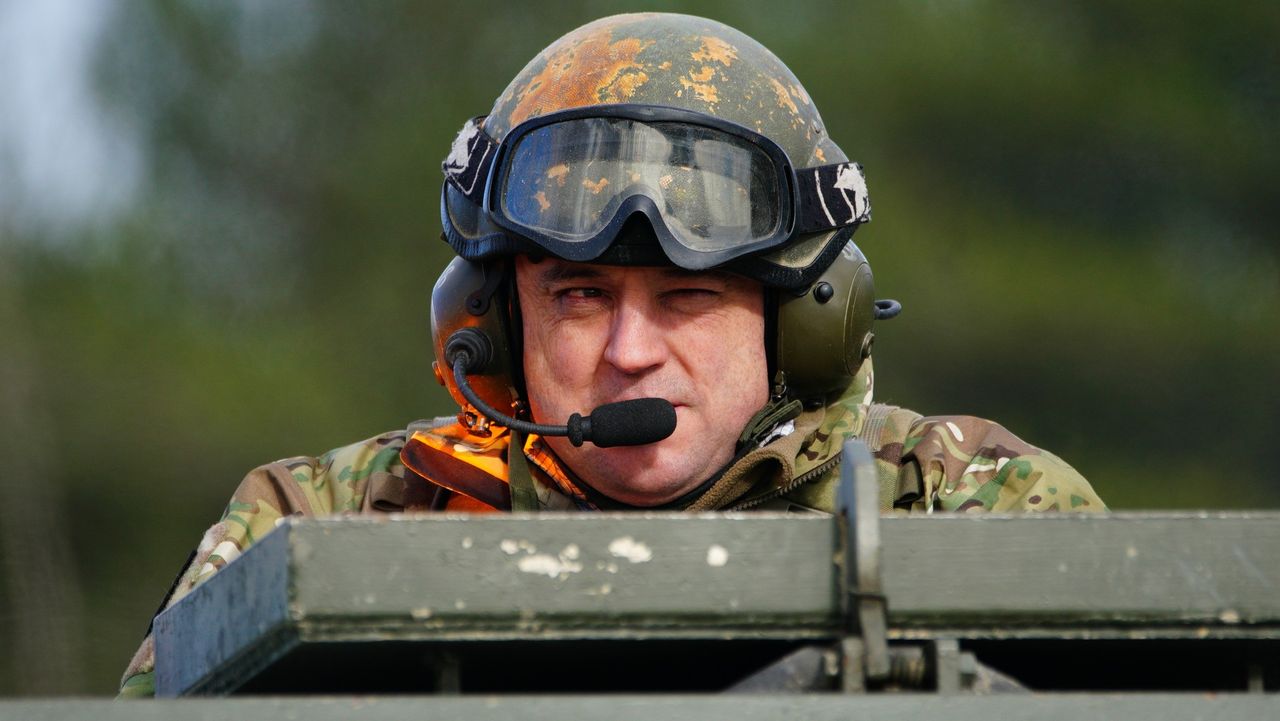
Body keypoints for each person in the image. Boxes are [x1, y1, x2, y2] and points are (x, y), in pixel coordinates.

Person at [118, 12, 1104, 697]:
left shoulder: (967, 505)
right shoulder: (324, 526)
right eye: (580, 297)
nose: (631, 352)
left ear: (804, 320)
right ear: (493, 319)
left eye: (687, 299)